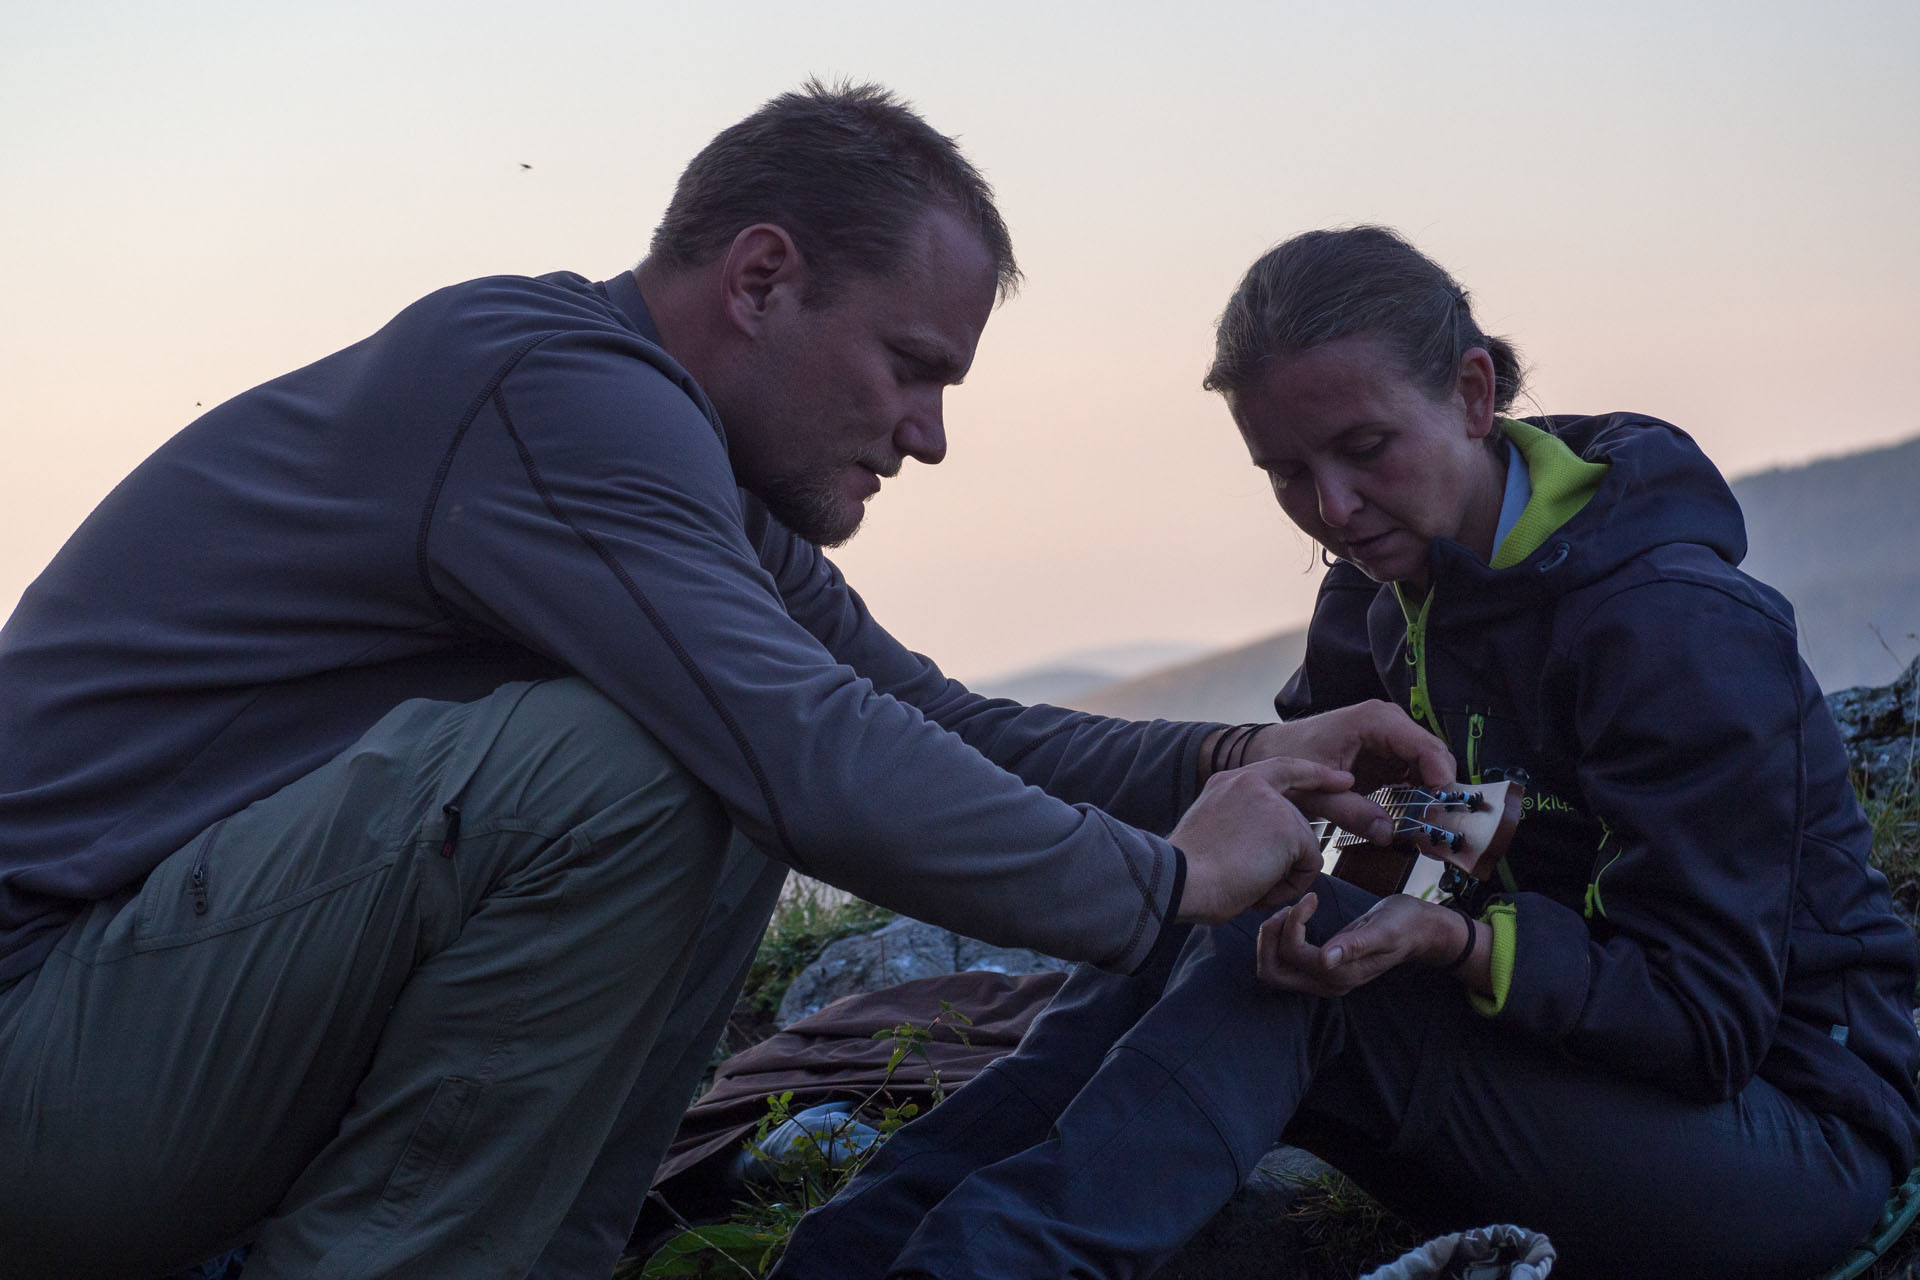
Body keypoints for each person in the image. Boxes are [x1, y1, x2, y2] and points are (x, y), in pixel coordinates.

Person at [0, 88, 1444, 1279]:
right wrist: (1164, 885)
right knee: (635, 766)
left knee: (712, 754)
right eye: (909, 365)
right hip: (41, 1059)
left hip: (142, 1057)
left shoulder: (681, 474)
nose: (930, 435)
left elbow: (923, 718)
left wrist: (1238, 760)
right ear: (760, 280)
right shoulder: (554, 393)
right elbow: (810, 751)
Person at [770, 226, 1920, 1280]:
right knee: (1223, 918)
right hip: (1576, 1086)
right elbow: (1397, 846)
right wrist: (1291, 855)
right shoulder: (1373, 597)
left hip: (1792, 1133)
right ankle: (848, 1255)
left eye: (1366, 447)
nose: (1332, 507)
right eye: (1285, 472)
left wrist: (1456, 938)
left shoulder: (1674, 631)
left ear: (1473, 393)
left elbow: (1704, 1019)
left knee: (1314, 951)